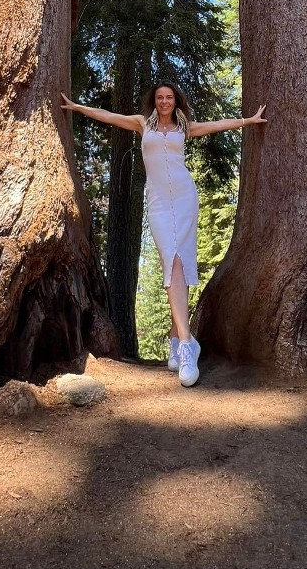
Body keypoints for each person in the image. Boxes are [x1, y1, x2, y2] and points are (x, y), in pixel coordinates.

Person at [61, 81, 267, 387]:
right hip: (157, 203)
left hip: (185, 199)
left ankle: (178, 342)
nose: (164, 101)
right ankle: (188, 343)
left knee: (179, 266)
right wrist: (78, 108)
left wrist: (247, 121)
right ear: (154, 101)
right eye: (160, 97)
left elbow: (216, 125)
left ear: (176, 101)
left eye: (169, 97)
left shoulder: (185, 127)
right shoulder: (142, 124)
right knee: (171, 263)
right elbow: (107, 115)